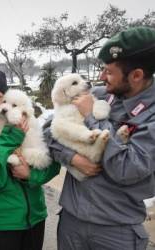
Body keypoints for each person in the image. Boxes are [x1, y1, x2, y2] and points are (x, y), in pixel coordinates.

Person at [44, 26, 155, 250]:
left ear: (136, 75)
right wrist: (72, 158)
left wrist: (92, 119)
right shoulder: (99, 94)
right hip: (72, 222)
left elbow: (127, 169)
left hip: (116, 231)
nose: (101, 77)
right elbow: (48, 128)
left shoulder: (151, 114)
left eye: (109, 72)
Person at [0, 69, 61, 250]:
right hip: (1, 223)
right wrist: (11, 137)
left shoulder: (27, 122)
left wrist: (30, 175)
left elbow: (53, 164)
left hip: (35, 217)